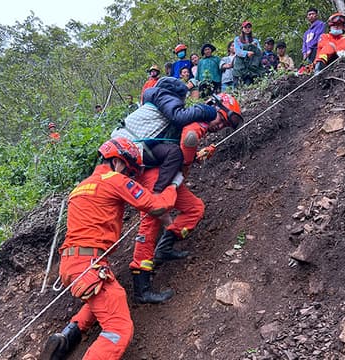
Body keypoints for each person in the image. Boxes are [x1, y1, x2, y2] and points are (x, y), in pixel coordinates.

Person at [39, 137, 181, 360]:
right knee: (118, 329)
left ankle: (67, 339)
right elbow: (158, 206)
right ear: (119, 162)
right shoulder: (114, 180)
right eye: (129, 170)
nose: (129, 175)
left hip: (71, 264)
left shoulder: (80, 187)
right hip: (88, 265)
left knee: (103, 299)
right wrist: (173, 184)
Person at [129, 93, 244, 303]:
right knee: (152, 219)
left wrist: (195, 156)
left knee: (194, 208)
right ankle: (141, 286)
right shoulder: (196, 123)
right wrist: (189, 160)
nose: (221, 126)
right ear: (213, 108)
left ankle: (163, 249)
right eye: (221, 120)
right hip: (154, 171)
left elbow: (184, 150)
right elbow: (188, 140)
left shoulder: (194, 121)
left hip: (166, 170)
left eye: (226, 125)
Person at [111, 76, 217, 194]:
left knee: (169, 152)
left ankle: (153, 191)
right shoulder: (166, 98)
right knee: (174, 153)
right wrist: (205, 110)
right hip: (130, 145)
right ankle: (158, 192)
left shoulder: (155, 105)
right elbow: (180, 117)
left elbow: (167, 137)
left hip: (124, 141)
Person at [233, 21, 264, 85]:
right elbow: (237, 51)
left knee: (248, 85)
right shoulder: (237, 39)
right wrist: (247, 53)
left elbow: (260, 52)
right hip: (240, 65)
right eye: (245, 27)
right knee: (237, 85)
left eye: (249, 27)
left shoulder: (255, 40)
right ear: (242, 28)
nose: (247, 29)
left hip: (251, 66)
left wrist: (254, 47)